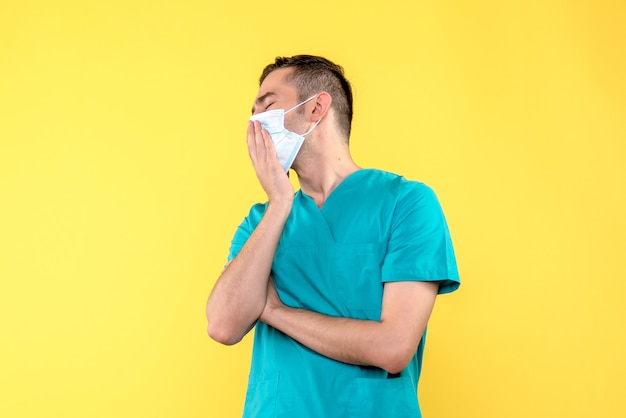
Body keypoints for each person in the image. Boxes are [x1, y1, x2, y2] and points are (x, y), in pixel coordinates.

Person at [206, 55, 460, 418]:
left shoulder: (405, 203)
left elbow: (393, 347)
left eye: (268, 106)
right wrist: (279, 203)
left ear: (316, 107)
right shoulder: (260, 221)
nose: (255, 124)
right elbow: (223, 325)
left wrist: (274, 311)